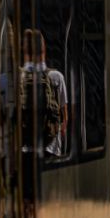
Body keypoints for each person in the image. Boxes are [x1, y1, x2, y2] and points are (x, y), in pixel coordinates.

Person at [36, 31, 70, 160]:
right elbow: (64, 112)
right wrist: (61, 131)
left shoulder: (22, 78)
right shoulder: (57, 77)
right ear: (44, 51)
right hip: (52, 144)